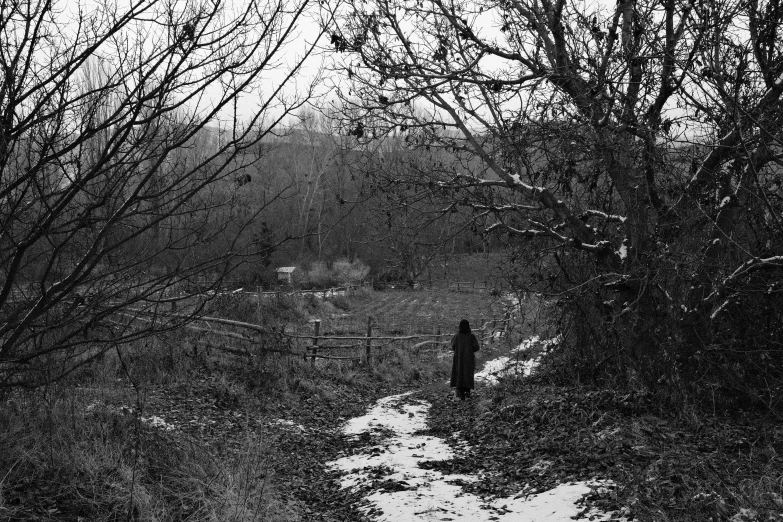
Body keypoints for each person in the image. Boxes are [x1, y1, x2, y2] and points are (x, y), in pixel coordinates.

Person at [450, 319, 480, 400]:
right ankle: (467, 391)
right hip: (469, 358)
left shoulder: (456, 336)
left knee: (459, 372)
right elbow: (476, 347)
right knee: (468, 373)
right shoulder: (471, 336)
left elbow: (453, 346)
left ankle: (460, 392)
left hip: (458, 358)